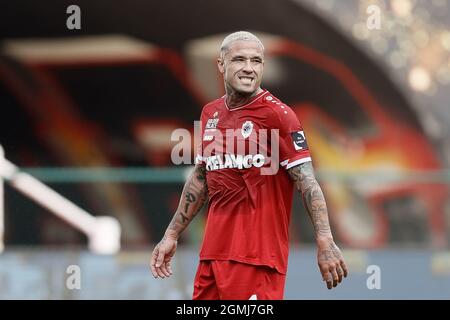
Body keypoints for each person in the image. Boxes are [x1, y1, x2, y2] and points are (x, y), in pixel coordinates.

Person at [150, 31, 348, 300]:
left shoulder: (279, 115)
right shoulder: (211, 113)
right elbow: (201, 177)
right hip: (212, 257)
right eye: (239, 59)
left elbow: (307, 181)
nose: (248, 68)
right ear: (221, 64)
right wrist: (171, 233)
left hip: (257, 260)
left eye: (256, 61)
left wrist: (325, 239)